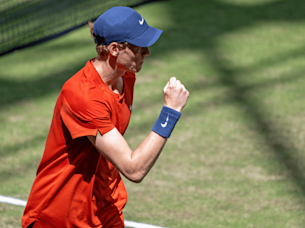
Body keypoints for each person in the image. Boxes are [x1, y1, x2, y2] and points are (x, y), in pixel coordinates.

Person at [22, 6, 189, 228]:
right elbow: (133, 168)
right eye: (139, 47)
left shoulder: (125, 76)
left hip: (105, 210)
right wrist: (171, 112)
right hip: (60, 217)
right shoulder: (83, 96)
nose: (147, 52)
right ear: (114, 49)